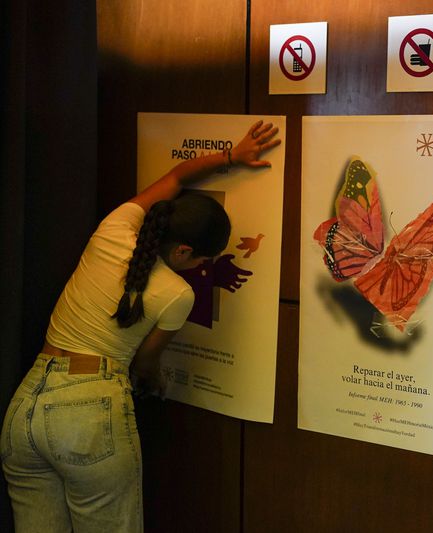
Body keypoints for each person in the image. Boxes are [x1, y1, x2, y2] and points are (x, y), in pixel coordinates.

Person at [0, 120, 280, 532]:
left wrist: (230, 157)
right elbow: (145, 365)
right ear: (184, 250)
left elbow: (176, 176)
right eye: (203, 260)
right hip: (87, 415)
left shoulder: (115, 227)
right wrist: (158, 382)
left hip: (26, 404)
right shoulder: (176, 294)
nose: (202, 269)